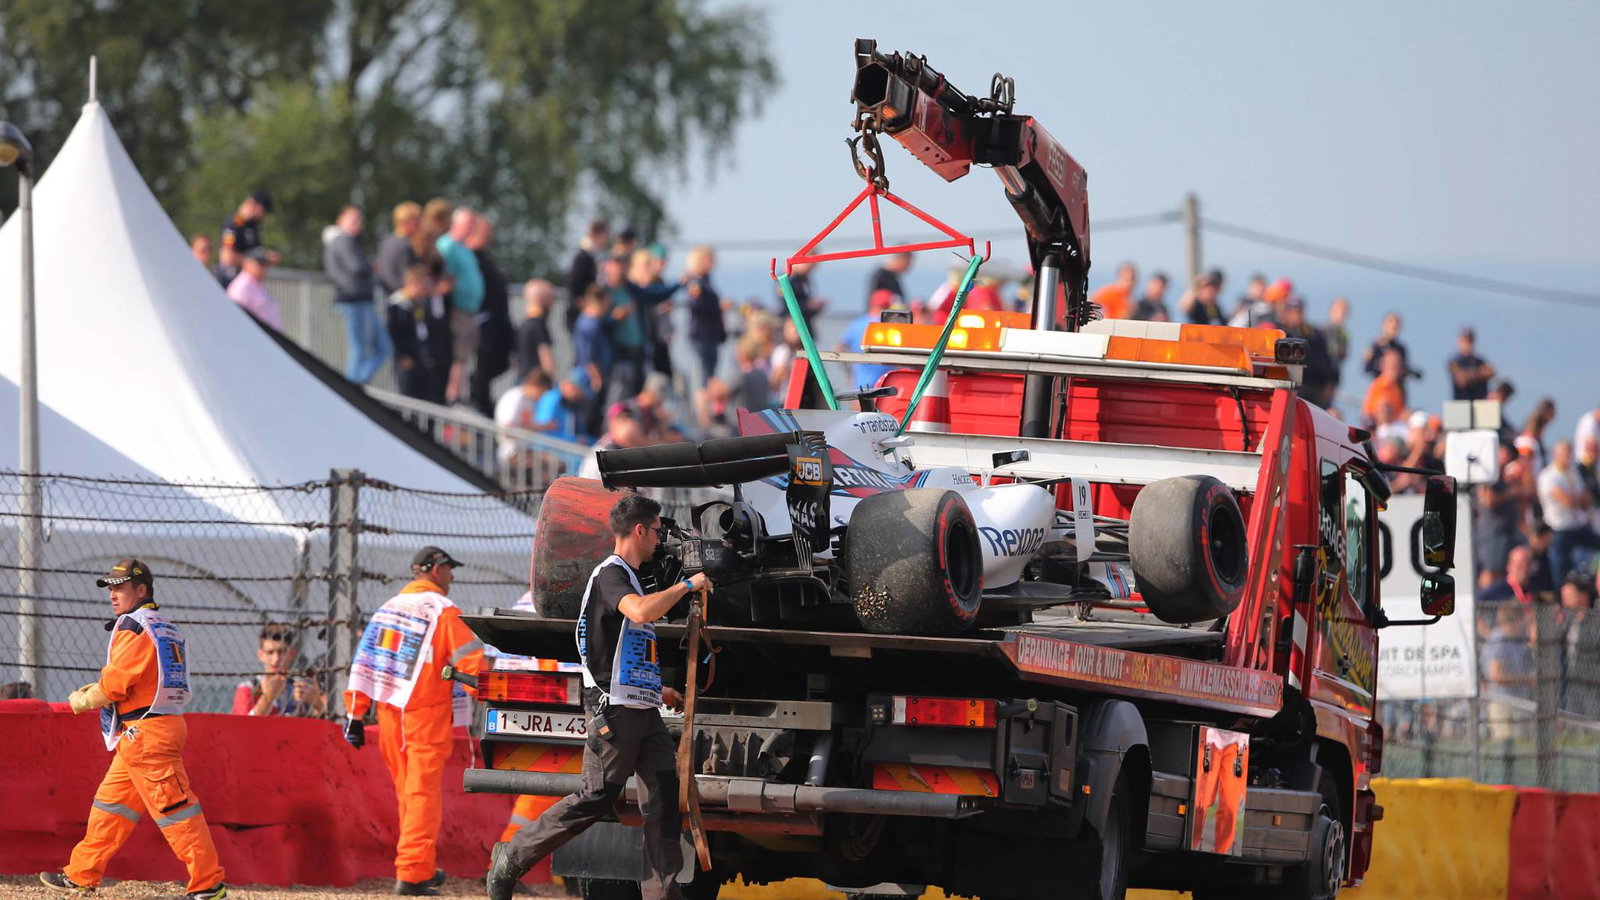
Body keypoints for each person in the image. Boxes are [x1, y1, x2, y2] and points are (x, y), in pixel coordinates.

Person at [487, 495, 713, 900]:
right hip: (615, 710)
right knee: (597, 795)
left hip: (642, 708)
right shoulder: (611, 575)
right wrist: (686, 586)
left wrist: (657, 690)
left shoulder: (631, 577)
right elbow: (640, 613)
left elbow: (627, 647)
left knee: (663, 799)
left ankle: (662, 893)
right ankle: (514, 855)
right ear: (639, 530)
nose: (660, 539)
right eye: (657, 530)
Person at [39, 559, 227, 899]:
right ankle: (81, 874)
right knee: (110, 805)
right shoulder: (163, 625)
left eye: (120, 588)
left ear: (141, 590)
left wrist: (85, 699)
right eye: (110, 588)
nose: (112, 595)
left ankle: (208, 885)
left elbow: (116, 684)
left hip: (146, 734)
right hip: (150, 729)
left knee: (176, 811)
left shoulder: (133, 625)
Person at [343, 547, 487, 896]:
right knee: (422, 795)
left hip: (390, 715)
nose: (452, 576)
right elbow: (473, 666)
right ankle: (411, 873)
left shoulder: (388, 609)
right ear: (436, 570)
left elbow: (366, 663)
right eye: (450, 570)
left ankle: (418, 866)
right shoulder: (445, 612)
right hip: (425, 716)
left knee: (408, 795)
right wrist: (494, 695)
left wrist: (355, 714)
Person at [324, 205, 392, 384]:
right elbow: (357, 267)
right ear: (340, 220)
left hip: (361, 301)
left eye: (359, 220)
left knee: (380, 348)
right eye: (353, 219)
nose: (358, 224)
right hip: (354, 301)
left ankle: (357, 384)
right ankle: (353, 387)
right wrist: (371, 265)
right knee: (360, 349)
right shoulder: (342, 241)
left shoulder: (345, 242)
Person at [437, 207, 486, 404]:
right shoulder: (447, 246)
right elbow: (444, 277)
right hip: (457, 309)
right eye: (469, 223)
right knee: (457, 354)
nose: (472, 227)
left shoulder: (465, 247)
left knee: (464, 355)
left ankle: (459, 393)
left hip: (470, 310)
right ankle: (452, 395)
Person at [388, 264, 451, 403]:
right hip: (408, 361)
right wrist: (401, 356)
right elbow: (392, 334)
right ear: (412, 284)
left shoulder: (422, 303)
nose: (425, 290)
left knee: (429, 399)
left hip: (425, 360)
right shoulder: (397, 305)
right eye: (422, 286)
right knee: (409, 400)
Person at [231, 624, 326, 717]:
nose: (276, 659)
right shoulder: (248, 688)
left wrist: (317, 704)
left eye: (282, 652)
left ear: (291, 654)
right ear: (261, 655)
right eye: (270, 652)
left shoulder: (299, 689)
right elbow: (242, 725)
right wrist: (267, 699)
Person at [1539, 440, 1600, 581]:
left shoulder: (1573, 472)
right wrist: (1576, 499)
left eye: (1569, 453)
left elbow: (1587, 499)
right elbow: (1568, 501)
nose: (1568, 457)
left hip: (1578, 525)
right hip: (1560, 528)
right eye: (1565, 454)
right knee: (1561, 566)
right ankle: (1560, 591)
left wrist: (1576, 499)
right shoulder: (1549, 476)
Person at [685, 244, 728, 384]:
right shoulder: (695, 281)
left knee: (710, 376)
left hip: (711, 334)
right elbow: (696, 305)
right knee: (703, 376)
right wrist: (717, 307)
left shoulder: (706, 280)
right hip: (702, 335)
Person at [217, 190, 276, 284]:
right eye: (263, 212)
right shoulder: (233, 225)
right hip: (231, 282)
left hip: (247, 284)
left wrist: (265, 257)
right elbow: (227, 257)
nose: (264, 217)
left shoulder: (252, 226)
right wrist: (248, 261)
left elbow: (253, 251)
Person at [566, 219, 609, 335]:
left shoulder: (591, 256)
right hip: (580, 315)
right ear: (597, 235)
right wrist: (585, 308)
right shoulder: (583, 257)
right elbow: (573, 285)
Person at [226, 247, 282, 332]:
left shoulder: (255, 284)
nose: (264, 268)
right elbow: (236, 317)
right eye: (260, 264)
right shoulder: (242, 286)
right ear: (247, 263)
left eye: (265, 264)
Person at [375, 202, 423, 297]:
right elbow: (405, 276)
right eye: (416, 220)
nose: (419, 224)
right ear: (404, 222)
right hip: (401, 296)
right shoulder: (403, 245)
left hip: (388, 295)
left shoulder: (388, 241)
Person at [515, 279, 556, 383]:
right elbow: (545, 354)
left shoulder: (523, 325)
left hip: (522, 378)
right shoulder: (539, 325)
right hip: (537, 382)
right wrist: (551, 380)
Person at [1446, 327, 1495, 401]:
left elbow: (1491, 372)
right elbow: (1461, 380)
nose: (1467, 344)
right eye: (1464, 341)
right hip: (1461, 403)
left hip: (1480, 403)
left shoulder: (1480, 361)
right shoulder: (1454, 361)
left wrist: (1469, 375)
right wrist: (1480, 373)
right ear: (1459, 341)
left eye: (1469, 341)